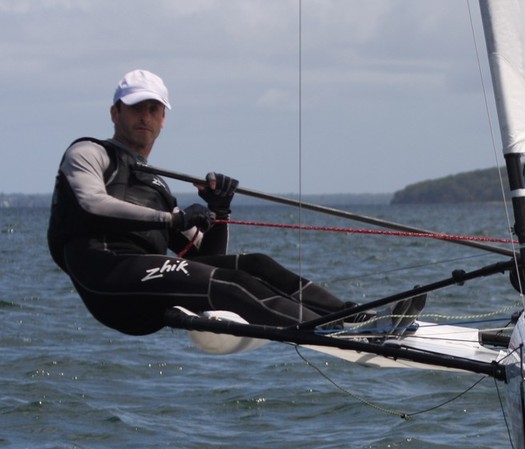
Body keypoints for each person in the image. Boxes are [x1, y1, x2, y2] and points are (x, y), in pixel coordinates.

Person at [48, 68, 371, 336]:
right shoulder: (89, 152)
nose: (144, 117)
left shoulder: (158, 189)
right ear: (115, 113)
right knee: (232, 285)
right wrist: (172, 219)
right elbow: (92, 202)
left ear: (163, 119)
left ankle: (352, 316)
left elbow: (206, 260)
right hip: (106, 275)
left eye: (153, 109)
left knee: (256, 264)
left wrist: (219, 210)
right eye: (135, 108)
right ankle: (327, 331)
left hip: (148, 285)